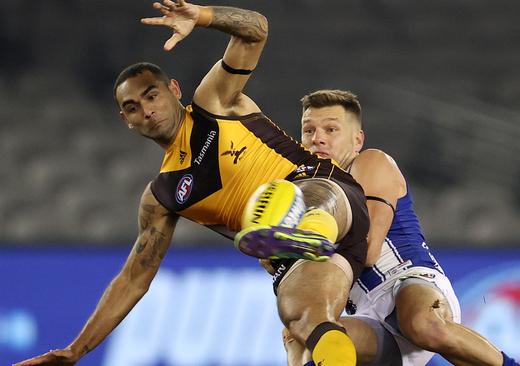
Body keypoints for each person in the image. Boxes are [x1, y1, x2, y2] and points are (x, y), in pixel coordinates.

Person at [13, 3, 368, 366]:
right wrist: (76, 350)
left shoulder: (215, 102)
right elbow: (133, 280)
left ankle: (304, 229)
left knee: (296, 196)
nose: (147, 110)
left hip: (331, 195)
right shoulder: (163, 196)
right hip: (300, 260)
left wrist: (202, 17)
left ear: (174, 89)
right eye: (133, 107)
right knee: (303, 320)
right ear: (126, 121)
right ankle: (299, 245)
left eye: (151, 95)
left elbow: (256, 29)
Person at [280, 89, 520, 366]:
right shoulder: (303, 195)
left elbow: (367, 251)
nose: (317, 138)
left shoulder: (370, 162)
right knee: (302, 332)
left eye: (331, 129)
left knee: (421, 324)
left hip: (407, 284)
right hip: (370, 317)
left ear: (357, 140)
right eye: (308, 130)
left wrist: (295, 244)